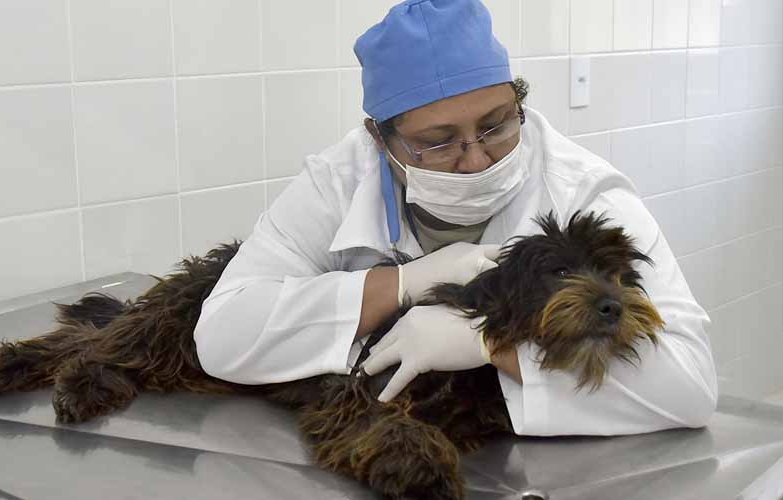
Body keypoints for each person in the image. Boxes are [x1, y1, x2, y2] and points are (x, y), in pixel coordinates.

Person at [193, 0, 717, 436]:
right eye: (438, 143)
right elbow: (223, 336)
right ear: (380, 138)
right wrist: (401, 284)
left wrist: (490, 345)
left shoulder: (583, 191)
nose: (476, 159)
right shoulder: (336, 182)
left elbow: (691, 387)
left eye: (496, 126)